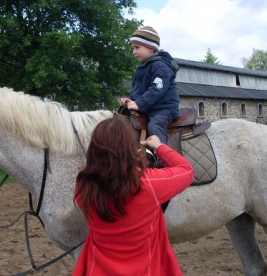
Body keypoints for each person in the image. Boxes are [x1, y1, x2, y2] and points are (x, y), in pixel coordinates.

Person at [73, 115, 194, 276]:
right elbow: (187, 170)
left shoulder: (83, 186)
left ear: (94, 150)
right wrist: (160, 147)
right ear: (130, 148)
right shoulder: (149, 184)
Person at [120, 26, 180, 144]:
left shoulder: (160, 66)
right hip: (149, 108)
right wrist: (130, 99)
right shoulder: (143, 67)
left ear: (151, 48)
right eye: (133, 48)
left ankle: (161, 155)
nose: (134, 52)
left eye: (137, 47)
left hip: (164, 109)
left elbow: (156, 89)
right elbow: (137, 90)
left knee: (154, 126)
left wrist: (139, 103)